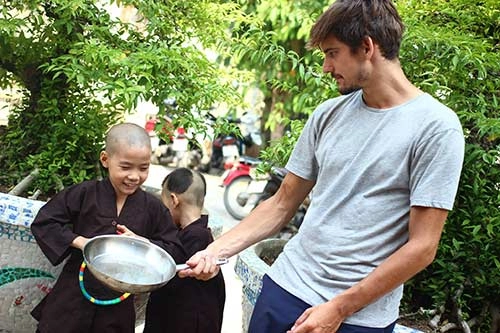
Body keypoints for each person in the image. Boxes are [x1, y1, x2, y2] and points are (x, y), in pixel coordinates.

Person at [179, 1, 465, 332]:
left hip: (359, 316)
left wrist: (339, 308)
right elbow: (282, 202)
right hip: (286, 287)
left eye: (332, 53)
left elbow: (422, 247)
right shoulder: (328, 115)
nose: (327, 67)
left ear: (367, 47)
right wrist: (213, 252)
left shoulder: (436, 127)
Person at [30, 122, 186, 333]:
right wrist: (82, 242)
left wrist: (144, 244)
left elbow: (174, 248)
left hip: (117, 309)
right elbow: (45, 222)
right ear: (105, 159)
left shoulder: (153, 208)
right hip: (72, 297)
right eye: (125, 167)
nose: (134, 176)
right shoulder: (84, 194)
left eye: (143, 168)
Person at [143, 167, 225, 333]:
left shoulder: (195, 239)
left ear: (173, 200)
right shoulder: (200, 236)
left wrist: (141, 243)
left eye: (163, 202)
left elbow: (165, 262)